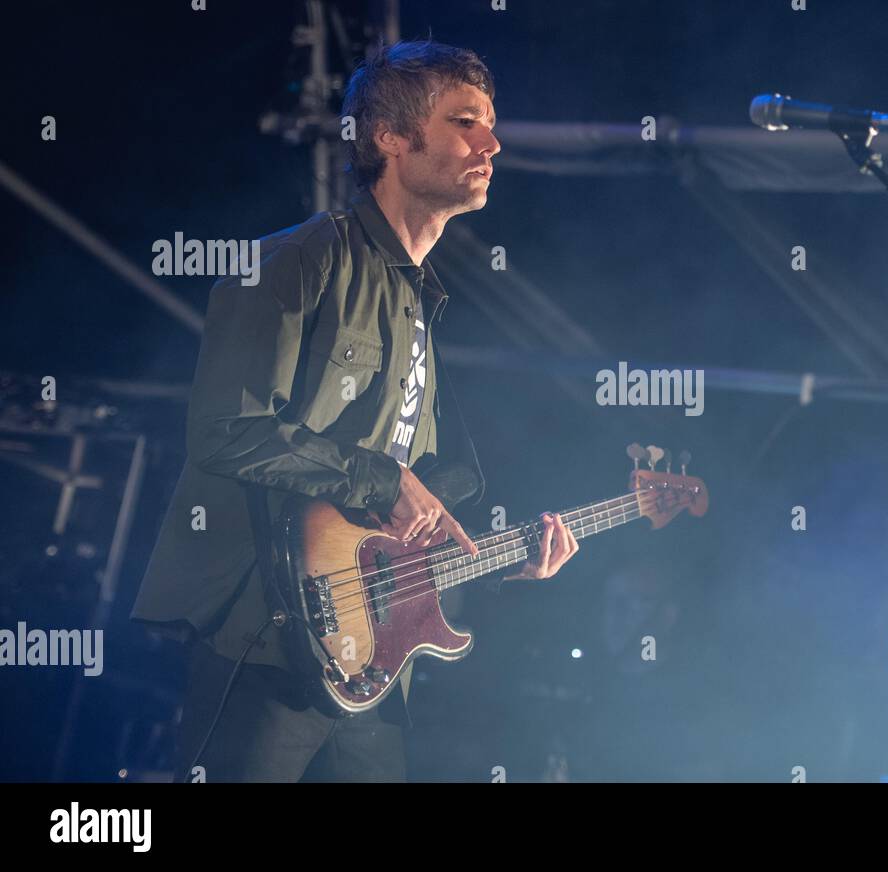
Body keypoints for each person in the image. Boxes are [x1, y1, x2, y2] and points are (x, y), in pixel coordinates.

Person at [131, 39, 579, 782]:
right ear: (390, 138)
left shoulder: (422, 305)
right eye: (466, 121)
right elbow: (226, 428)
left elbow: (407, 526)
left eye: (490, 123)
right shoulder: (295, 262)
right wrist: (379, 481)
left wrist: (502, 564)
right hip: (267, 639)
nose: (492, 142)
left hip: (372, 669)